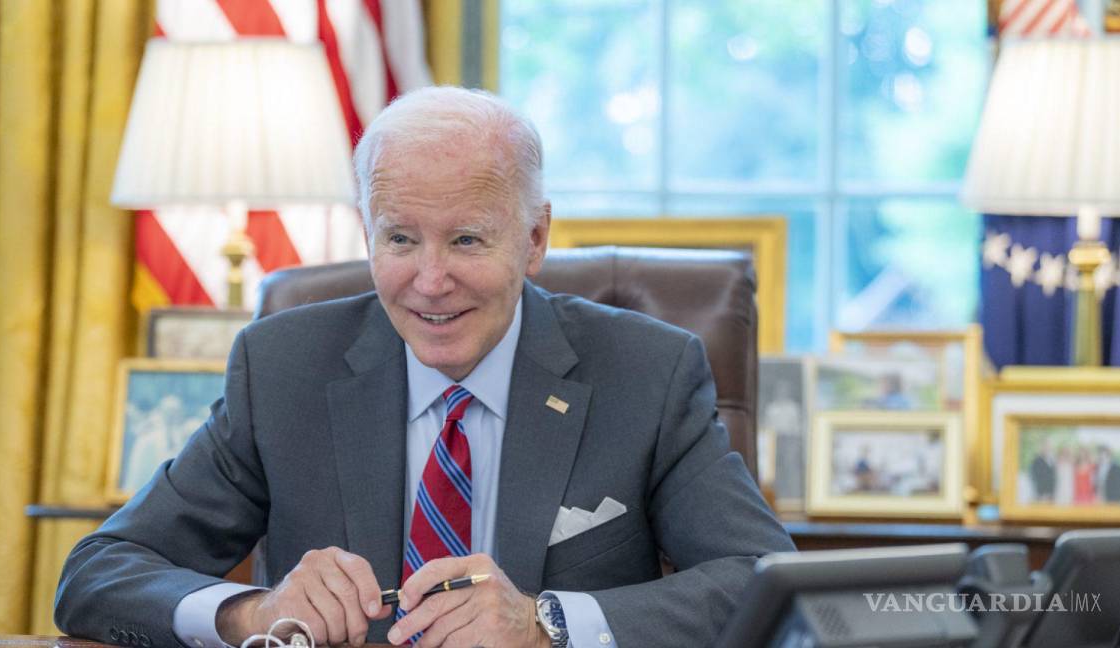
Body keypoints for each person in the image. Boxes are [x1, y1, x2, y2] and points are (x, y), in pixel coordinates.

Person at [54, 87, 793, 648]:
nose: (429, 281)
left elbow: (760, 581)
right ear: (366, 230)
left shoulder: (647, 372)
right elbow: (100, 571)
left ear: (534, 238)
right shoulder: (283, 367)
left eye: (467, 240)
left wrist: (547, 623)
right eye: (400, 238)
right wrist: (256, 609)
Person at [1028, 438, 1055, 502]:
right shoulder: (1036, 460)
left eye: (1048, 446)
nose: (1047, 447)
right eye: (1045, 445)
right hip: (1041, 494)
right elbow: (1034, 476)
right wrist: (1041, 493)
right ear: (1041, 447)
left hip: (1051, 494)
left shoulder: (1052, 459)